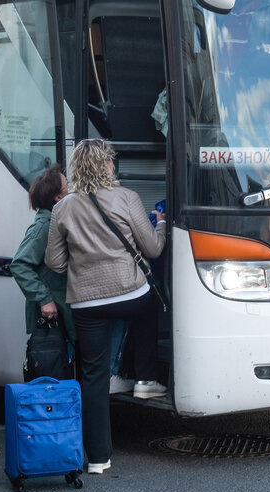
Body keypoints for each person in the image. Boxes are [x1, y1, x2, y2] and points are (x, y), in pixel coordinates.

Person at [45, 139, 166, 474]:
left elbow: (54, 262)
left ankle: (98, 459)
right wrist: (161, 225)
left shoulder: (63, 208)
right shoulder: (127, 198)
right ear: (107, 166)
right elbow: (153, 250)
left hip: (87, 302)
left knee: (93, 378)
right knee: (149, 307)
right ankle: (145, 378)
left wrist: (83, 263)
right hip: (130, 295)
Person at [10, 164, 76, 364]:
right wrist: (44, 299)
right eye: (68, 186)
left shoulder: (55, 223)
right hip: (56, 311)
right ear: (57, 198)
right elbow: (19, 265)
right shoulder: (43, 227)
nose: (72, 188)